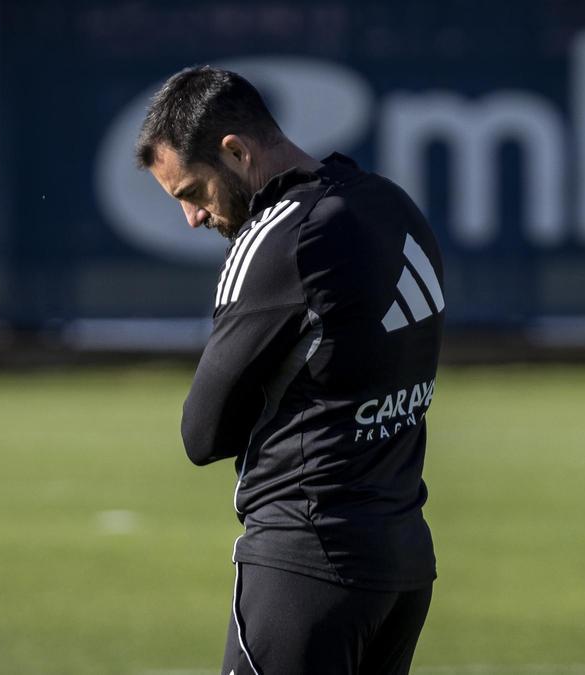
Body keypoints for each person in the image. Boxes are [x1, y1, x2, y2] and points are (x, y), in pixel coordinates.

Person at [135, 65, 446, 675]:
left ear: (235, 151)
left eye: (192, 193)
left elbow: (202, 434)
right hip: (403, 558)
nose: (193, 219)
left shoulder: (281, 238)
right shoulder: (391, 204)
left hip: (306, 561)